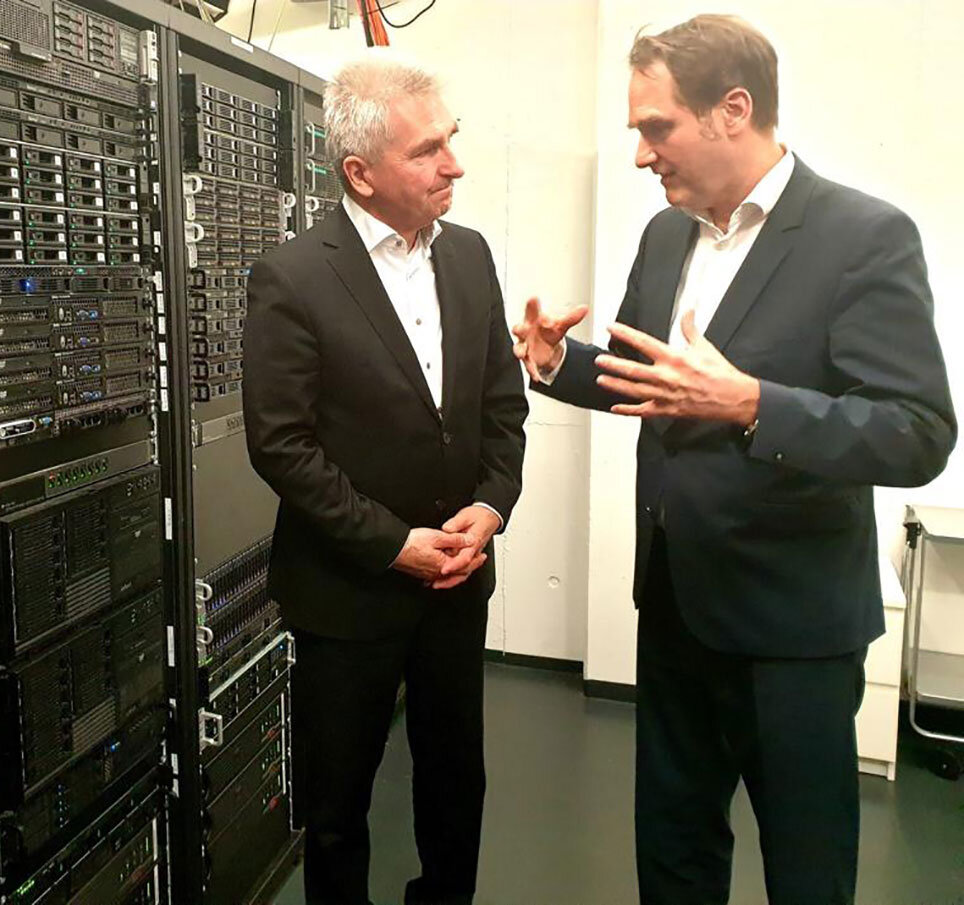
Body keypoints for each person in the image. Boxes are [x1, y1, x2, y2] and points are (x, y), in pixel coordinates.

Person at [514, 14, 956, 905]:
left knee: (806, 867)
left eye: (655, 127)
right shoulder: (666, 237)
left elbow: (916, 430)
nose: (641, 154)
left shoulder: (862, 235)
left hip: (793, 633)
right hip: (675, 606)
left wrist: (755, 403)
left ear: (733, 111)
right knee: (673, 854)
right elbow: (656, 384)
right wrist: (564, 364)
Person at [242, 55, 528, 905]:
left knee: (456, 787)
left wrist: (489, 505)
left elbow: (501, 406)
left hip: (457, 580)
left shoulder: (470, 257)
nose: (454, 165)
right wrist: (392, 543)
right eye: (428, 150)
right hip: (347, 594)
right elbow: (281, 444)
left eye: (453, 141)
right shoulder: (293, 277)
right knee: (338, 807)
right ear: (359, 174)